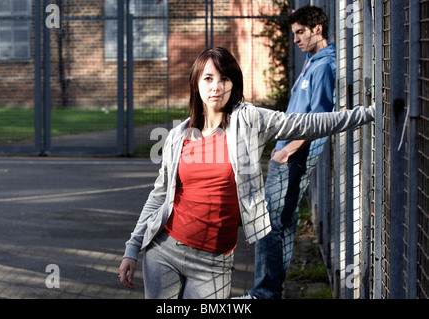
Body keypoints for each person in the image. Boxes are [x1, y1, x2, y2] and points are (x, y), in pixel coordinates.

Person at [118, 46, 374, 299]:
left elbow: (305, 123)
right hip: (164, 252)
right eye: (208, 79)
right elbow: (159, 195)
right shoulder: (178, 135)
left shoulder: (249, 121)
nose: (216, 87)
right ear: (196, 84)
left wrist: (367, 114)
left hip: (213, 263)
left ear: (234, 84)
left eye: (224, 78)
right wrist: (132, 249)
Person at [237, 5, 337, 299]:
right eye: (293, 33)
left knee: (269, 225)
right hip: (286, 154)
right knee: (280, 224)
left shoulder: (324, 67)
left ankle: (264, 293)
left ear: (317, 29)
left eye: (300, 32)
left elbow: (319, 120)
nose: (295, 39)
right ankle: (269, 291)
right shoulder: (312, 60)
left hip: (293, 158)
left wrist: (286, 152)